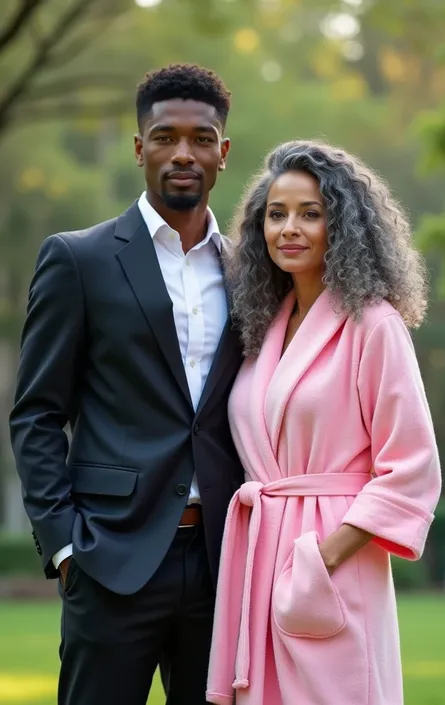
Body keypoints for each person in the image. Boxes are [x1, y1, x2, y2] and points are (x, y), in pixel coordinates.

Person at [9, 63, 244, 705]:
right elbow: (35, 414)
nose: (183, 154)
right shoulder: (78, 259)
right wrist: (63, 546)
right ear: (140, 148)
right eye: (165, 137)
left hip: (226, 561)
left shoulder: (253, 268)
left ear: (224, 152)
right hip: (110, 558)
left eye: (201, 139)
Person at [206, 140, 442, 705]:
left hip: (332, 562)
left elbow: (410, 467)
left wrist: (322, 557)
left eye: (311, 213)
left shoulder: (373, 325)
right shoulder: (263, 328)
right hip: (260, 555)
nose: (290, 227)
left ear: (344, 225)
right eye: (276, 213)